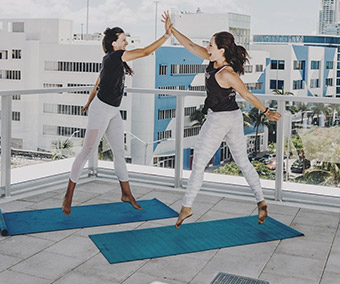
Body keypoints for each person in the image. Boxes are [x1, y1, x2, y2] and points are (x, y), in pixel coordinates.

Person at [162, 12, 281, 228]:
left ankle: (187, 206)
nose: (207, 48)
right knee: (242, 162)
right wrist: (171, 29)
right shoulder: (213, 62)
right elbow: (189, 45)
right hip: (232, 118)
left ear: (221, 50)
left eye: (210, 45)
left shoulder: (226, 73)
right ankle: (261, 201)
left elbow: (246, 94)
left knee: (199, 162)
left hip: (220, 119)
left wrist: (266, 111)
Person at [62, 12, 172, 215]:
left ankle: (126, 193)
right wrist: (166, 35)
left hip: (112, 111)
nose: (127, 42)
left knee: (119, 153)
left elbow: (98, 82)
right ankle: (68, 195)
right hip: (101, 111)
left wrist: (87, 103)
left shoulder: (112, 60)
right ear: (114, 43)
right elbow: (146, 52)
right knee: (87, 150)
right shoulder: (115, 56)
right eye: (123, 40)